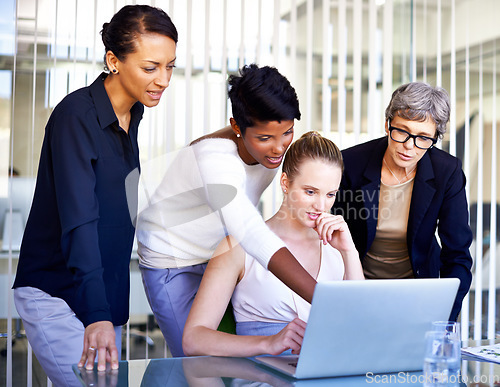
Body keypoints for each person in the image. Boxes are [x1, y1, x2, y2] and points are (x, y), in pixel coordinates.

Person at [12, 5, 177, 386]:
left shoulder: (132, 114)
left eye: (170, 66)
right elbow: (80, 222)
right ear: (113, 61)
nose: (163, 79)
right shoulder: (76, 116)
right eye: (150, 67)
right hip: (58, 293)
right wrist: (97, 314)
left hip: (101, 298)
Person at [136, 64, 319, 357]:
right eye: (264, 138)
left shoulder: (264, 141)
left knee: (234, 357)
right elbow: (251, 231)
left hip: (216, 254)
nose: (278, 148)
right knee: (197, 358)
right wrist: (322, 299)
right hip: (172, 261)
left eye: (287, 133)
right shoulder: (215, 161)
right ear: (237, 128)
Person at [181, 131, 364, 357]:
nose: (321, 205)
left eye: (330, 194)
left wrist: (349, 252)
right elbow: (193, 339)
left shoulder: (336, 248)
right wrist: (268, 343)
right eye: (310, 192)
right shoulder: (238, 246)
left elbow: (358, 329)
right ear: (285, 183)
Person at [331, 82, 473, 321]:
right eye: (402, 131)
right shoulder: (350, 164)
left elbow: (457, 255)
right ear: (388, 124)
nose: (409, 146)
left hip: (417, 296)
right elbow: (326, 240)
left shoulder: (447, 172)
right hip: (355, 289)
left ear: (435, 138)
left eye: (423, 138)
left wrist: (444, 319)